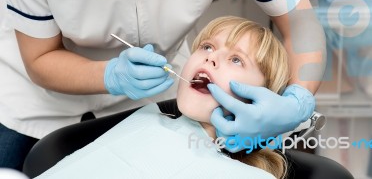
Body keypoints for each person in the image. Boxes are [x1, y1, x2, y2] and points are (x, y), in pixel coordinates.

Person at [0, 0, 326, 169]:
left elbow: (301, 23)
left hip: (156, 104)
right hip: (39, 106)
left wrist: (296, 102)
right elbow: (41, 57)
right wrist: (109, 75)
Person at [36, 16, 291, 179]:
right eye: (207, 47)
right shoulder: (147, 118)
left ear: (263, 99)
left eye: (236, 59)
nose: (210, 57)